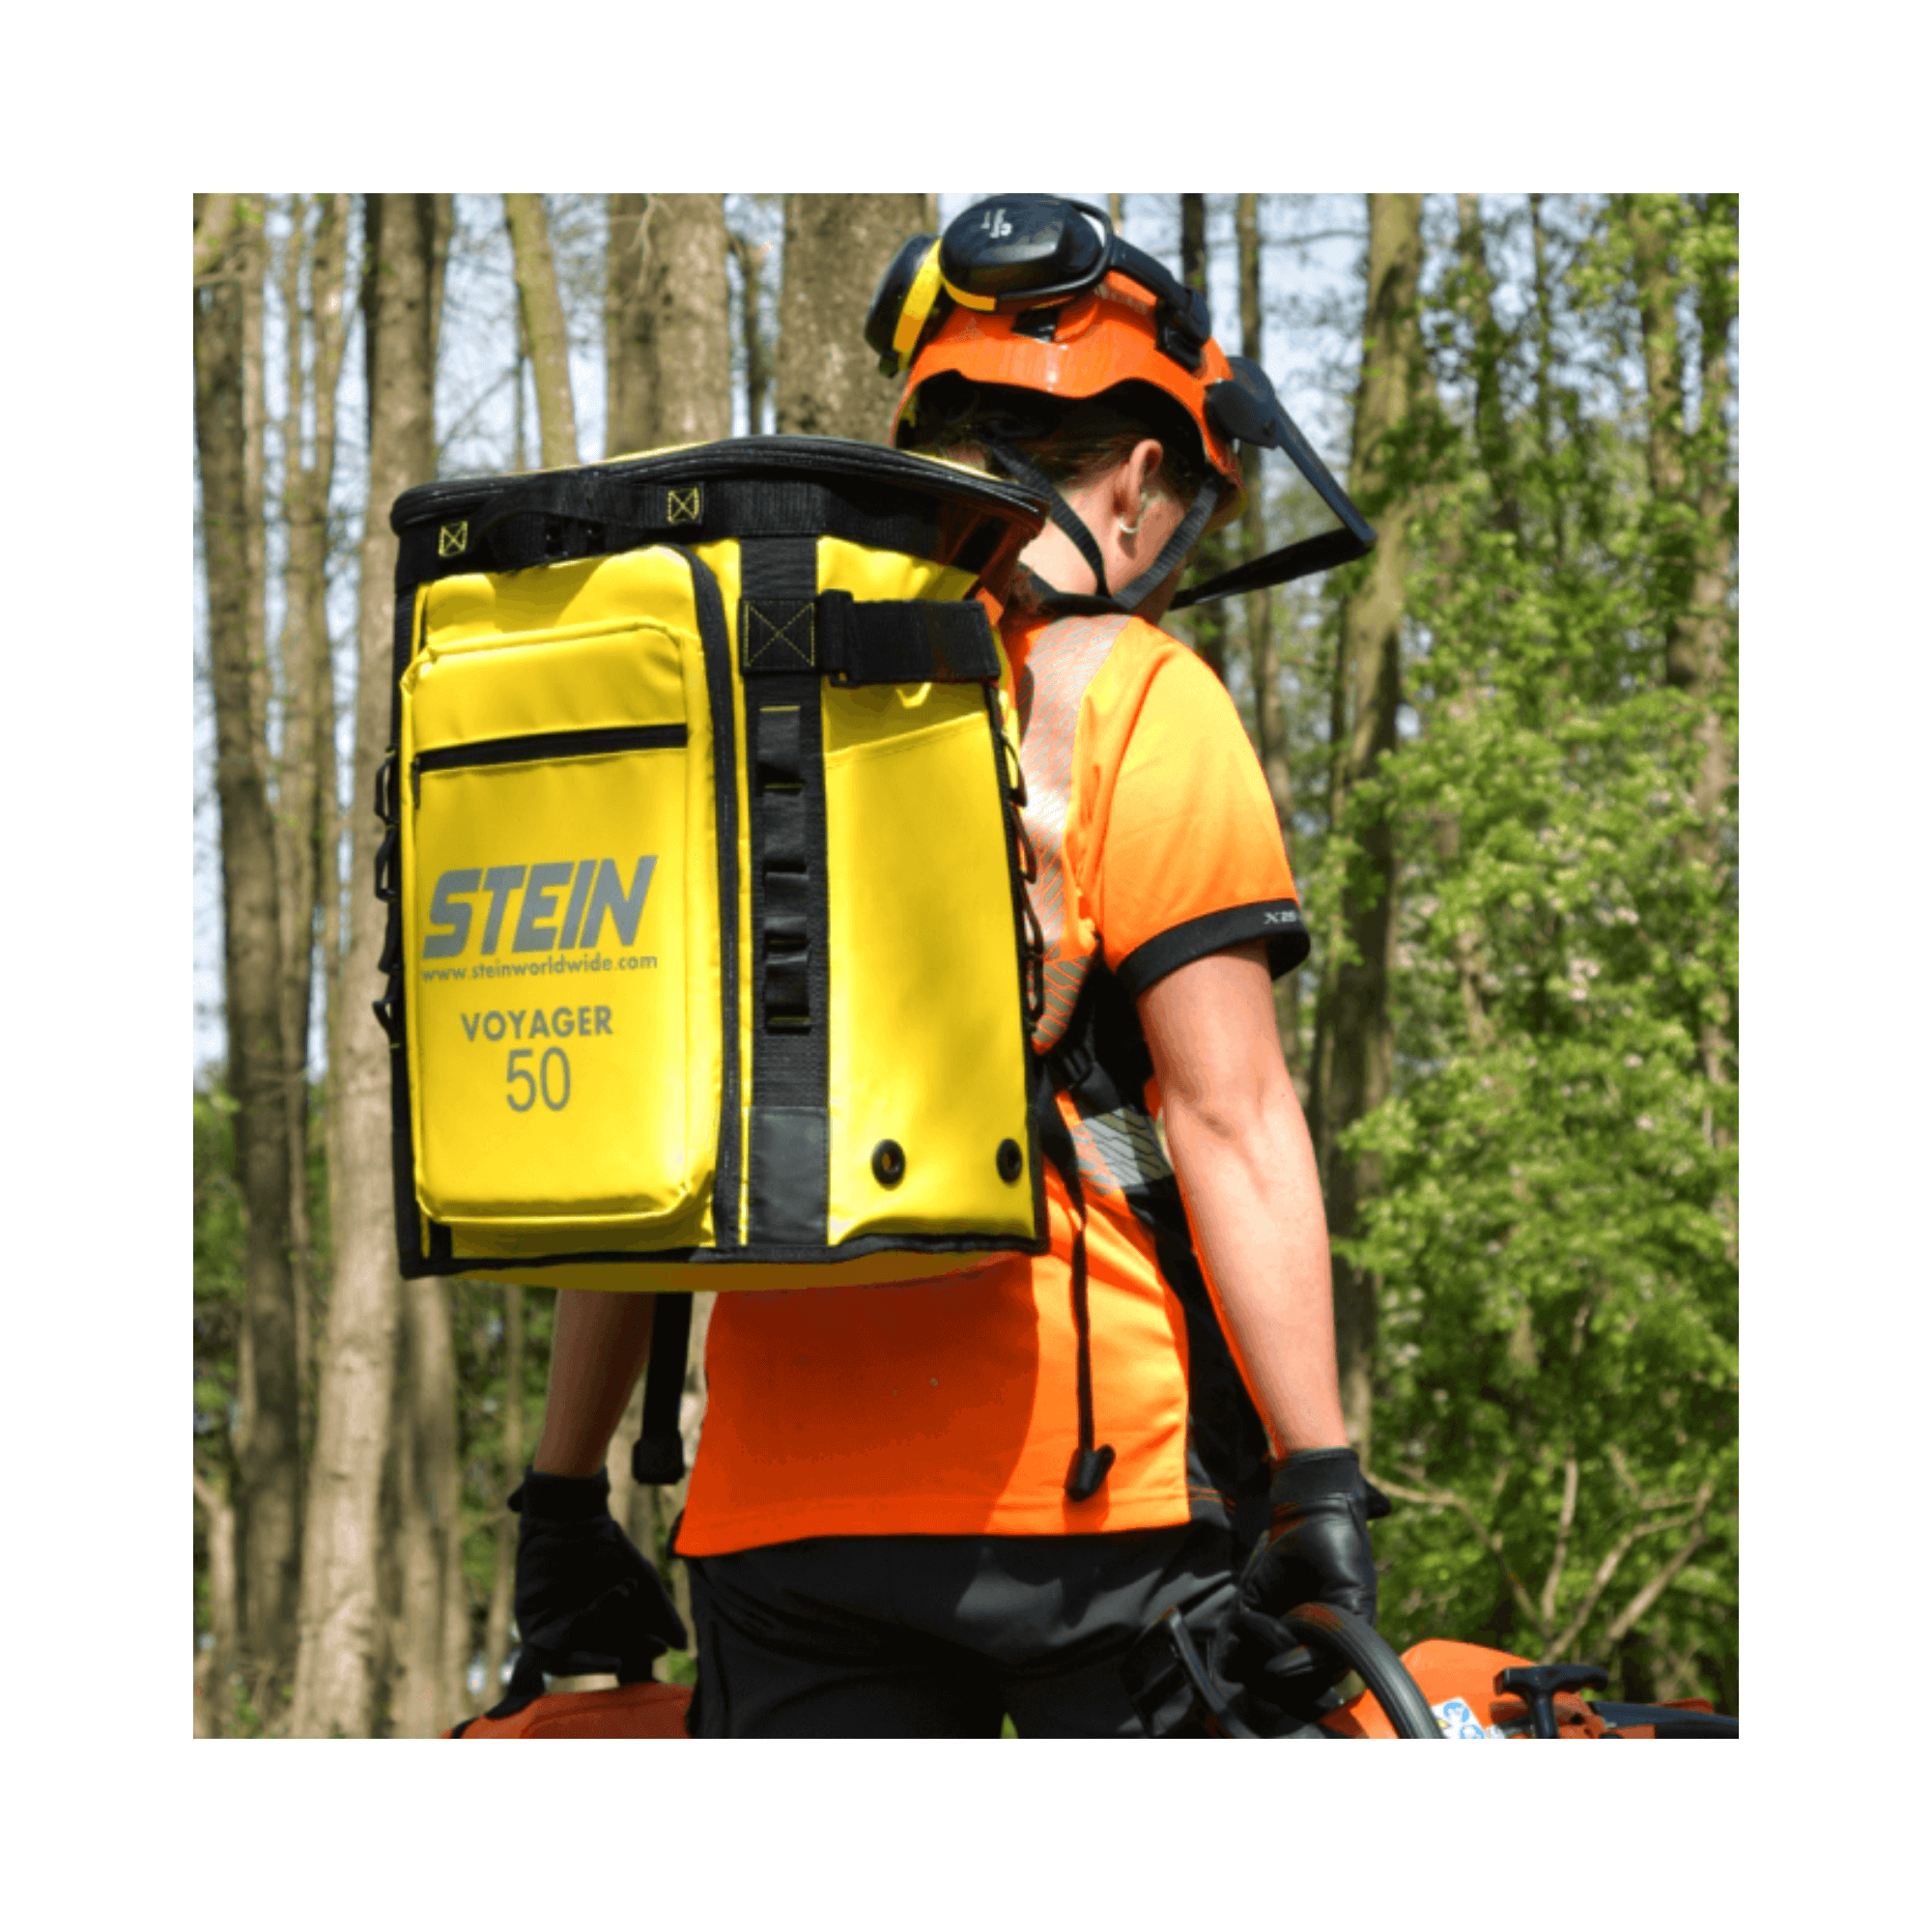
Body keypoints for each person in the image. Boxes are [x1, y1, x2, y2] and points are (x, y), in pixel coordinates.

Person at [507, 196, 1387, 1736]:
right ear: (1138, 477)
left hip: (781, 1520)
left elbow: (650, 1147)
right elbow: (1231, 1115)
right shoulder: (1140, 703)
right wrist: (1316, 1480)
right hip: (1089, 1506)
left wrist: (563, 1493)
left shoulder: (735, 710)